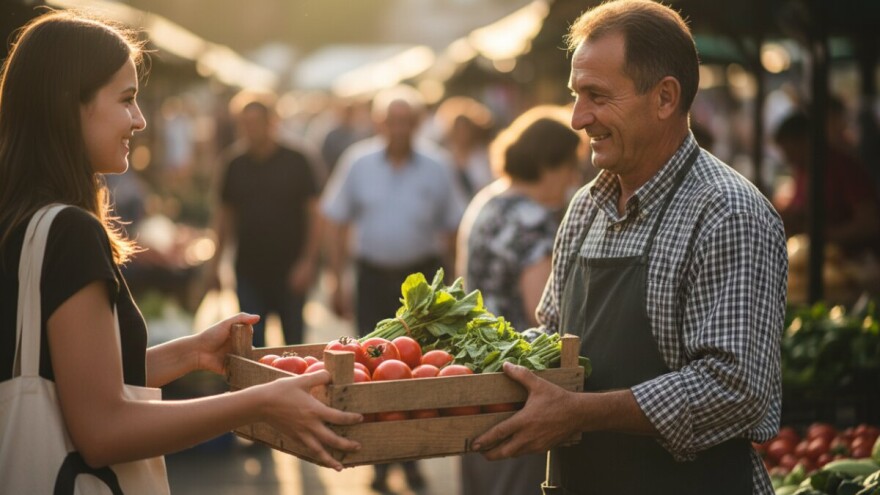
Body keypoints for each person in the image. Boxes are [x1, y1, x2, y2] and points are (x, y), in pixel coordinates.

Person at [0, 10, 361, 490]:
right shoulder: (69, 230)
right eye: (126, 100)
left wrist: (189, 353)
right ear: (70, 104)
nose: (140, 119)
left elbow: (69, 379)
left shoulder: (20, 218)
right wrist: (260, 403)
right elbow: (104, 432)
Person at [471, 2, 789, 494]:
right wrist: (454, 373)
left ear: (664, 98)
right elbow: (554, 339)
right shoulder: (585, 207)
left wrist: (581, 413)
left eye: (596, 96)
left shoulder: (727, 212)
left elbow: (736, 389)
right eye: (576, 95)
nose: (578, 118)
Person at [321, 84, 466, 492]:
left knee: (418, 373)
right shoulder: (358, 162)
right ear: (379, 122)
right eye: (392, 120)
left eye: (407, 121)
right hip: (371, 279)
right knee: (373, 371)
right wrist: (336, 279)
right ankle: (380, 460)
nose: (399, 128)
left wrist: (455, 288)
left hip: (420, 286)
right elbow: (335, 220)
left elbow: (454, 226)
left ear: (417, 124)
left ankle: (414, 455)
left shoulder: (437, 166)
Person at [456, 105, 584, 495]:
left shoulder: (489, 200)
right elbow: (540, 309)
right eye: (569, 167)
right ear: (548, 164)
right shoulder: (533, 219)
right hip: (513, 379)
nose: (572, 180)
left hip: (470, 364)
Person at [207, 90, 323, 347]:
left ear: (272, 122)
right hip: (249, 272)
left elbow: (315, 215)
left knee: (294, 346)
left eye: (256, 122)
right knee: (252, 346)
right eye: (245, 124)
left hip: (291, 271)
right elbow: (224, 217)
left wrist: (308, 262)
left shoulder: (299, 160)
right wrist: (215, 265)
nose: (251, 129)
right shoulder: (233, 164)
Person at [773, 110, 880, 257]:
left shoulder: (844, 167)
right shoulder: (804, 170)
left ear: (806, 142)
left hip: (857, 261)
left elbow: (869, 223)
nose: (789, 160)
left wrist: (824, 236)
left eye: (791, 153)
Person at [434, 96, 496, 199]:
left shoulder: (484, 156)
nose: (462, 134)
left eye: (465, 129)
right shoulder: (442, 157)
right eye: (458, 129)